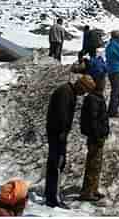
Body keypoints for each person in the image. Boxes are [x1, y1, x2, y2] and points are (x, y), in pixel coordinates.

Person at [45, 74, 96, 209]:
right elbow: (62, 115)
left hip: (57, 132)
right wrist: (62, 132)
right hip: (57, 133)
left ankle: (50, 194)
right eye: (84, 90)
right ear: (81, 85)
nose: (83, 94)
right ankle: (53, 198)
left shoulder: (67, 91)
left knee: (56, 163)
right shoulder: (65, 93)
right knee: (57, 164)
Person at [79, 77, 110, 202]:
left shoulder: (97, 97)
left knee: (97, 164)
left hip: (99, 135)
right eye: (102, 83)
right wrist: (97, 135)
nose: (104, 85)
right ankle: (87, 191)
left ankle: (93, 188)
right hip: (95, 136)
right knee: (92, 163)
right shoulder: (93, 99)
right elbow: (93, 120)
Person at [105, 30, 119, 118]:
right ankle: (113, 111)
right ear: (118, 36)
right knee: (116, 91)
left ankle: (111, 109)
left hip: (110, 69)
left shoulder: (109, 45)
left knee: (114, 90)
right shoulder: (116, 45)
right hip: (116, 69)